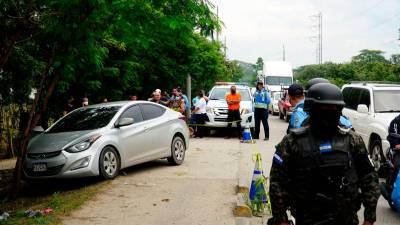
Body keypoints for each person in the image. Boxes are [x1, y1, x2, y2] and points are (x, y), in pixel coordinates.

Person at [268, 83, 379, 225]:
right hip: (307, 218)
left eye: (335, 109)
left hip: (346, 218)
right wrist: (281, 219)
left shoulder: (352, 140)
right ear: (312, 110)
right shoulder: (292, 143)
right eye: (325, 109)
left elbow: (369, 177)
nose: (330, 114)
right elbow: (277, 182)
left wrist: (369, 218)